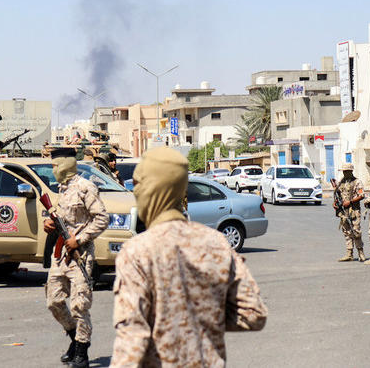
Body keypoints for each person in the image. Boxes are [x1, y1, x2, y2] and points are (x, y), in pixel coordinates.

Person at [111, 147, 268, 367]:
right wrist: (203, 315)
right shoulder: (216, 243)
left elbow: (132, 340)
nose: (135, 194)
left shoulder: (138, 251)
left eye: (137, 186)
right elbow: (253, 313)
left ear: (152, 189)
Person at [43, 147, 109, 368]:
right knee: (54, 301)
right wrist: (49, 223)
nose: (52, 170)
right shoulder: (62, 189)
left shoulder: (85, 187)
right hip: (61, 255)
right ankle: (74, 339)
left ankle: (82, 352)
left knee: (80, 305)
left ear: (63, 165)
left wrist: (79, 240)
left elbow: (101, 219)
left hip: (80, 256)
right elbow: (59, 218)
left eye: (54, 166)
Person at [334, 163, 366, 262]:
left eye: (347, 171)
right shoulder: (341, 182)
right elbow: (337, 194)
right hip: (344, 211)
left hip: (354, 211)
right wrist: (335, 204)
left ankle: (361, 253)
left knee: (356, 231)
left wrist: (351, 202)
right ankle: (349, 254)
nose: (345, 173)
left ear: (351, 171)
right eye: (344, 171)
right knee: (347, 232)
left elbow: (361, 195)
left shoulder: (357, 182)